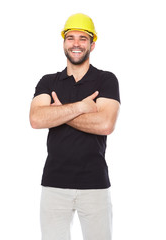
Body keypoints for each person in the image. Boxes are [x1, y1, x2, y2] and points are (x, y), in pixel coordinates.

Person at [30, 13, 120, 240]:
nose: (76, 44)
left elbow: (106, 124)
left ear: (92, 44)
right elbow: (36, 119)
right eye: (71, 38)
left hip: (95, 184)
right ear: (63, 43)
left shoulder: (106, 80)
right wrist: (81, 106)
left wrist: (59, 112)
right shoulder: (48, 81)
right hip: (54, 184)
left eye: (83, 38)